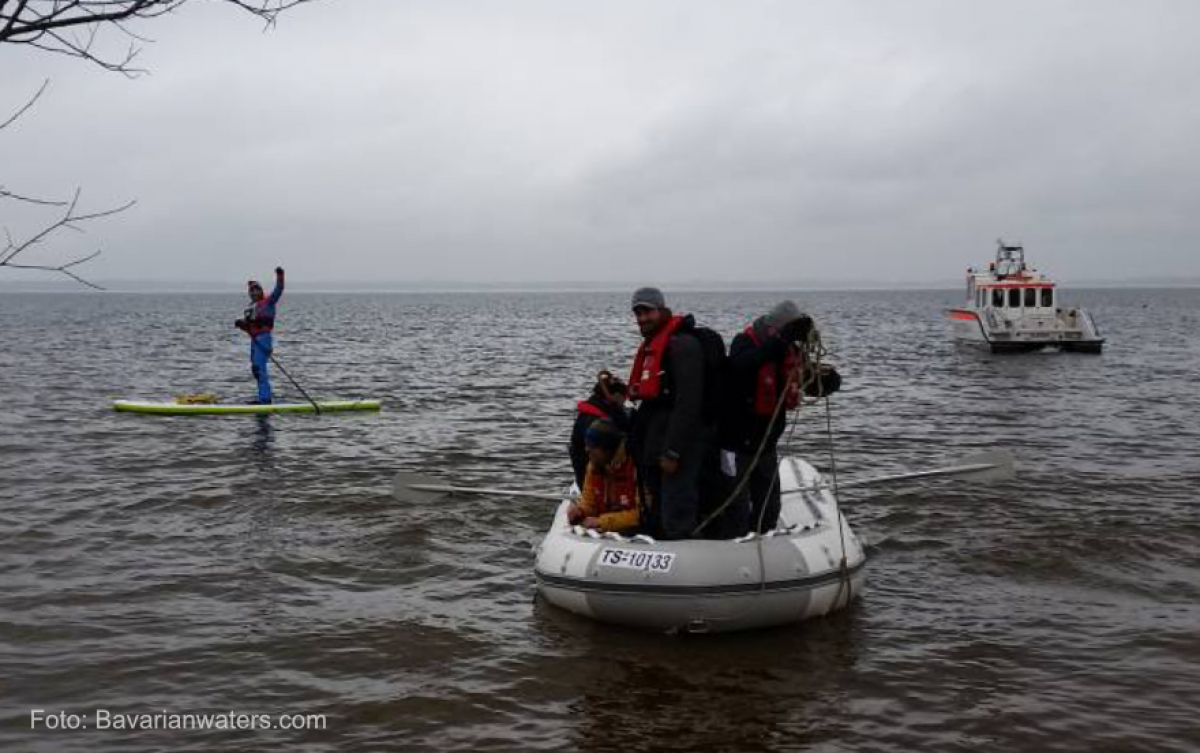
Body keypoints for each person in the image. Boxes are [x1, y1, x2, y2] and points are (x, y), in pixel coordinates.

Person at [726, 300, 840, 534]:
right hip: (736, 444)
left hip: (766, 444)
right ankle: (733, 542)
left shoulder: (790, 352)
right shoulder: (744, 343)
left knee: (769, 505)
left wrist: (827, 381)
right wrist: (780, 341)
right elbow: (742, 366)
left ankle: (765, 538)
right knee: (736, 506)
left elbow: (807, 379)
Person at [626, 286, 721, 540]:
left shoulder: (683, 346)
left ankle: (686, 551)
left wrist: (673, 451)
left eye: (647, 311)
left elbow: (688, 404)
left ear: (662, 310)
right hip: (656, 443)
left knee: (677, 509)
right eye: (638, 313)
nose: (642, 318)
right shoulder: (655, 347)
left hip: (679, 447)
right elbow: (655, 400)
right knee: (658, 509)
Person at [567, 418, 640, 534]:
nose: (587, 450)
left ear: (607, 449)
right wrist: (580, 511)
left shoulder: (636, 468)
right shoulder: (593, 466)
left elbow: (640, 514)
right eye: (587, 445)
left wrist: (602, 522)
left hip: (634, 532)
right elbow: (589, 502)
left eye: (592, 446)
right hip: (607, 529)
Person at [569, 371, 630, 489]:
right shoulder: (593, 420)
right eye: (624, 397)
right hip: (588, 463)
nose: (624, 401)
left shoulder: (602, 406)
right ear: (616, 395)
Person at [235, 266, 285, 404]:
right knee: (255, 370)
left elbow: (279, 289)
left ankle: (265, 400)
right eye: (251, 290)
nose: (254, 292)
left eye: (256, 289)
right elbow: (250, 328)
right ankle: (263, 397)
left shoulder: (268, 302)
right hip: (254, 341)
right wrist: (242, 325)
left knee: (259, 368)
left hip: (263, 340)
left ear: (261, 291)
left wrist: (280, 275)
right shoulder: (250, 308)